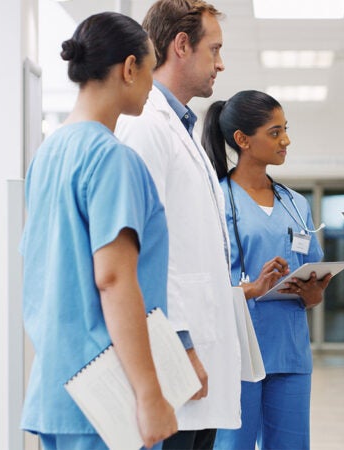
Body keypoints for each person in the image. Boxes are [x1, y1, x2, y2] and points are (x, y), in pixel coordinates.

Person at [114, 1, 275, 449]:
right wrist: (178, 345)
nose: (221, 65)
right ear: (181, 45)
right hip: (173, 361)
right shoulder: (145, 127)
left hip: (195, 360)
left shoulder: (179, 128)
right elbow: (138, 253)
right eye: (214, 50)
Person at [20, 12, 176, 450]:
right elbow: (113, 279)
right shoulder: (112, 159)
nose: (151, 86)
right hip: (107, 395)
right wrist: (149, 393)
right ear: (129, 68)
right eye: (149, 71)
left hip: (57, 385)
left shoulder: (47, 156)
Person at [203, 90, 331, 450]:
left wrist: (314, 292)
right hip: (239, 351)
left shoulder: (295, 203)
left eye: (285, 130)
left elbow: (313, 273)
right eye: (275, 133)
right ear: (243, 140)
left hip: (289, 352)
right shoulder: (216, 200)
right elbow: (206, 283)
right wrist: (252, 288)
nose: (285, 140)